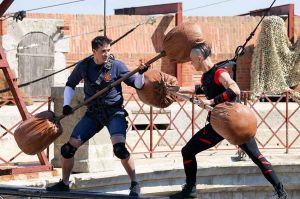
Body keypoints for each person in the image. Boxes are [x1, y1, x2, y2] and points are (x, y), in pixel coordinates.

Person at [169, 42, 288, 199]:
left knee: (256, 156)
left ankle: (281, 192)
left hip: (234, 123)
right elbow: (201, 88)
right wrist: (177, 89)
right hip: (218, 125)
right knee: (188, 151)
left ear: (199, 58)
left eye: (192, 60)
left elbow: (235, 89)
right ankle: (190, 189)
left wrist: (211, 102)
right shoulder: (206, 76)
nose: (191, 63)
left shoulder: (219, 72)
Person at [46, 36, 148, 197]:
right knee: (67, 149)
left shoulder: (117, 66)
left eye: (108, 50)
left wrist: (141, 74)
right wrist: (66, 104)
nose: (106, 53)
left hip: (114, 112)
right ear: (94, 51)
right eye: (103, 51)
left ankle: (134, 183)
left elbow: (137, 84)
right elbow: (70, 84)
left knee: (120, 150)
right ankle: (64, 183)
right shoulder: (84, 66)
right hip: (93, 113)